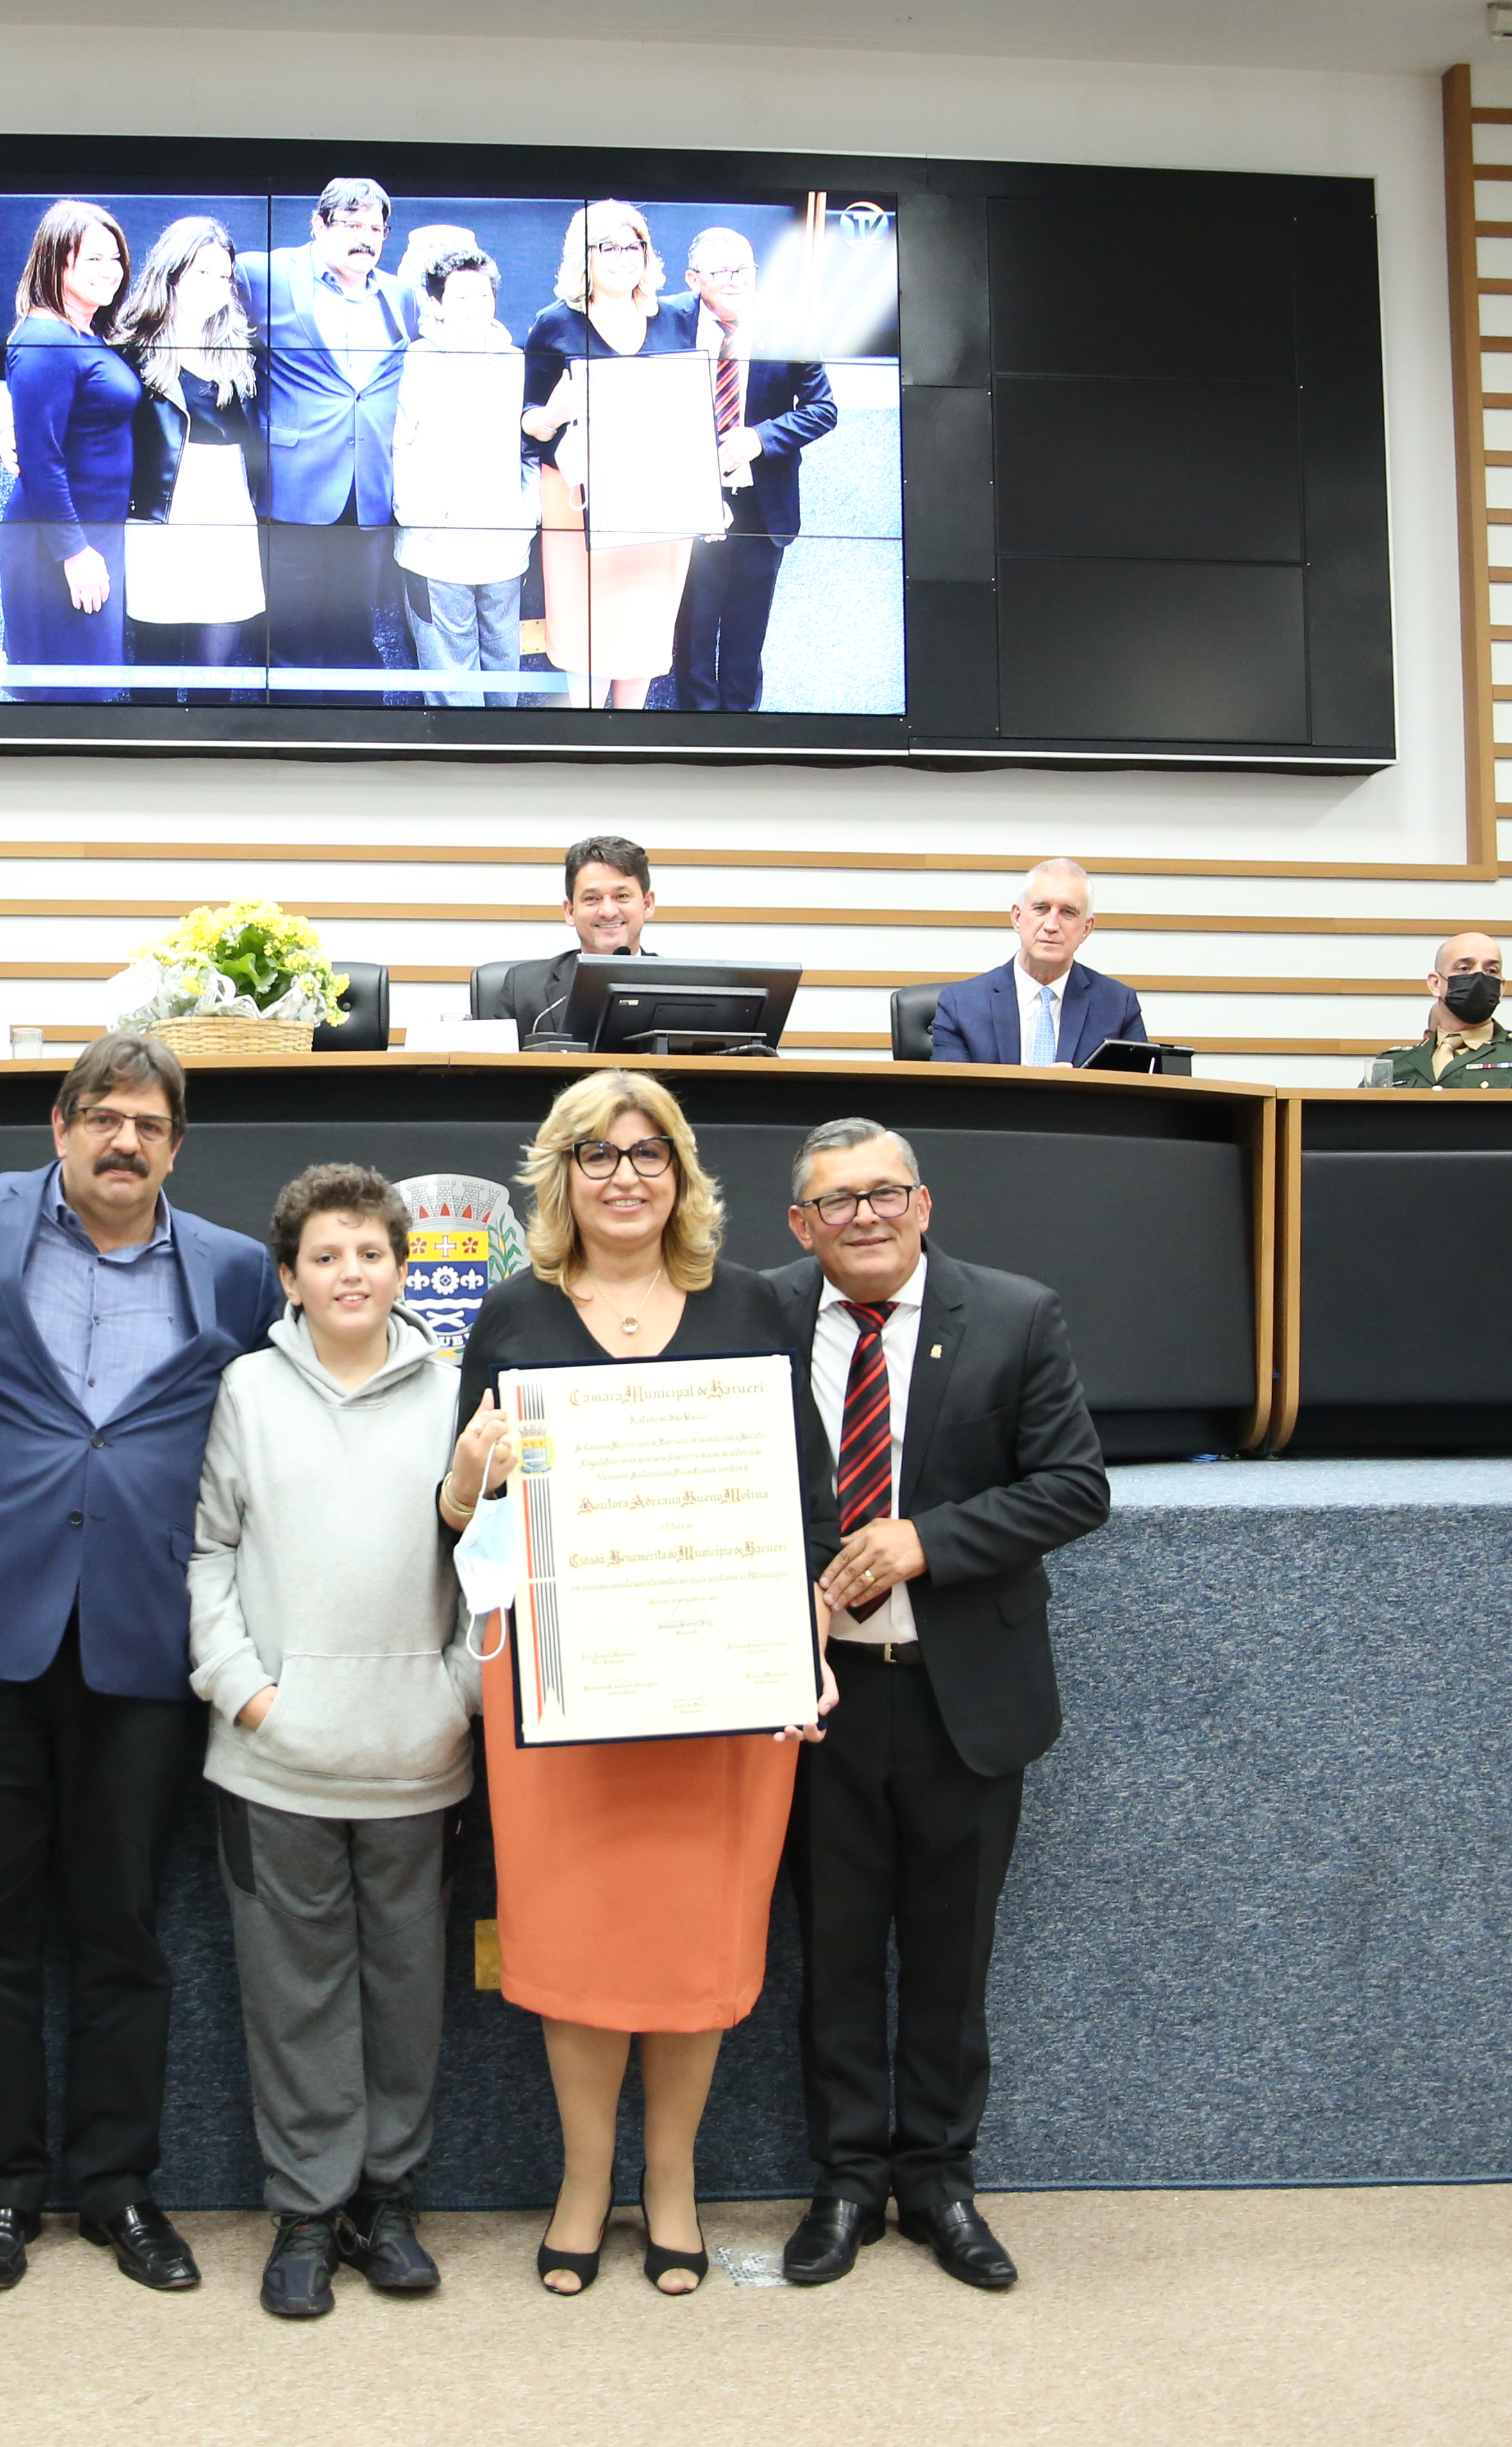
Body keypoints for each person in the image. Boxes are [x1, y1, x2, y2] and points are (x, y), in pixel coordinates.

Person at [0, 1032, 285, 2294]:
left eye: (150, 1124)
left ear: (177, 1148)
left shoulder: (235, 1273)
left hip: (140, 1633)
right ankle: (4, 2195)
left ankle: (121, 2190)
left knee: (123, 1928)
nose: (125, 1140)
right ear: (59, 1125)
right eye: (102, 1117)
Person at [448, 1068, 830, 2297]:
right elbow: (468, 1538)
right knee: (578, 1937)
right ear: (559, 1177)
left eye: (648, 1152)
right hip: (567, 1695)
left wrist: (808, 1645)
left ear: (682, 1170)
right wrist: (465, 1487)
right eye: (597, 1155)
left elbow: (806, 1501)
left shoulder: (759, 1305)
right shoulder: (510, 1316)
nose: (625, 1175)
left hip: (720, 1694)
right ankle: (582, 2179)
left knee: (692, 1941)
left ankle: (673, 2181)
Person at [762, 1119, 1105, 2292]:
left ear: (924, 1203)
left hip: (965, 1695)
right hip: (820, 1699)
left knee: (953, 1960)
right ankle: (848, 2183)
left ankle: (942, 2181)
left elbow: (1074, 1487)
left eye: (883, 1193)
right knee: (838, 1955)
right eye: (834, 1203)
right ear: (801, 1228)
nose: (862, 1216)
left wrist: (924, 1541)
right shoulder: (756, 1316)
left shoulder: (1014, 1316)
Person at [186, 1162, 493, 2319]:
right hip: (276, 1760)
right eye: (326, 1256)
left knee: (411, 1993)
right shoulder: (249, 1392)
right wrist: (245, 1693)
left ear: (403, 1270)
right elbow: (208, 1551)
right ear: (290, 1278)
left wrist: (457, 1692)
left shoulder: (461, 1394)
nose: (350, 1272)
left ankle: (389, 2206)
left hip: (419, 1759)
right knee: (294, 1995)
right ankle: (308, 2213)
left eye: (371, 1253)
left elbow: (487, 1563)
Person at [235, 179, 421, 700]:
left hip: (369, 497)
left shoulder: (400, 295)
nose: (365, 238)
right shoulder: (261, 274)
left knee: (356, 633)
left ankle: (357, 745)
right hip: (291, 488)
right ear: (318, 224)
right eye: (351, 224)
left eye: (375, 229)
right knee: (289, 637)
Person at [522, 201, 703, 709]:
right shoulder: (553, 323)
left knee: (642, 641)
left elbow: (688, 418)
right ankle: (580, 748)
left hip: (656, 509)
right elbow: (528, 424)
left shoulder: (675, 318)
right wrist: (554, 414)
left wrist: (704, 491)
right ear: (584, 255)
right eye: (608, 246)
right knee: (586, 644)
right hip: (578, 505)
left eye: (634, 245)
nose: (624, 257)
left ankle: (627, 745)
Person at [668, 228, 836, 714]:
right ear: (693, 279)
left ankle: (742, 728)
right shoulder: (666, 321)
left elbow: (823, 409)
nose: (736, 280)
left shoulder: (790, 326)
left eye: (744, 269)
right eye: (721, 272)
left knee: (748, 627)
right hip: (691, 500)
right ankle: (696, 733)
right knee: (695, 627)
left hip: (763, 506)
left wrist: (759, 438)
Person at [115, 215, 272, 703]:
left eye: (224, 276)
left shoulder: (241, 348)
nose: (216, 286)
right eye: (203, 272)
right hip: (161, 514)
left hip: (227, 510)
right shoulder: (131, 346)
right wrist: (7, 433)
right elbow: (77, 409)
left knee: (216, 671)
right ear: (173, 271)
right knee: (155, 667)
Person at [0, 201, 139, 707]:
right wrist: (74, 553)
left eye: (116, 259)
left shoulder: (84, 333)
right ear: (58, 261)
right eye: (94, 260)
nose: (111, 272)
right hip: (59, 548)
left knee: (89, 692)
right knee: (65, 700)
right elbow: (42, 459)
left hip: (92, 538)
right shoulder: (45, 339)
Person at [392, 245, 538, 710]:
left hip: (503, 548)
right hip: (436, 549)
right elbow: (398, 445)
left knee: (503, 668)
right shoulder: (415, 359)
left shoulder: (516, 360)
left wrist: (526, 514)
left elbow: (531, 445)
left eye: (483, 295)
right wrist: (424, 520)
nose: (475, 307)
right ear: (435, 305)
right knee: (451, 682)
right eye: (460, 298)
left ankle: (503, 772)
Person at [926, 859, 1150, 1068]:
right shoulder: (960, 1006)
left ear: (1087, 929)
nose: (1052, 925)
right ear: (1017, 917)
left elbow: (1139, 1099)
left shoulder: (1119, 1006)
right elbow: (953, 1101)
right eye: (1041, 908)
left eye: (1068, 912)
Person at [483, 834, 657, 1043]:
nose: (608, 911)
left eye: (622, 897)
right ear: (570, 911)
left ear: (647, 905)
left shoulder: (681, 989)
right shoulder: (523, 989)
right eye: (592, 899)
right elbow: (496, 1071)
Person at [1366, 932, 1512, 1089]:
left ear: (1501, 987)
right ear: (1436, 984)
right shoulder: (1393, 1063)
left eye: (1491, 971)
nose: (1479, 977)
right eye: (1464, 968)